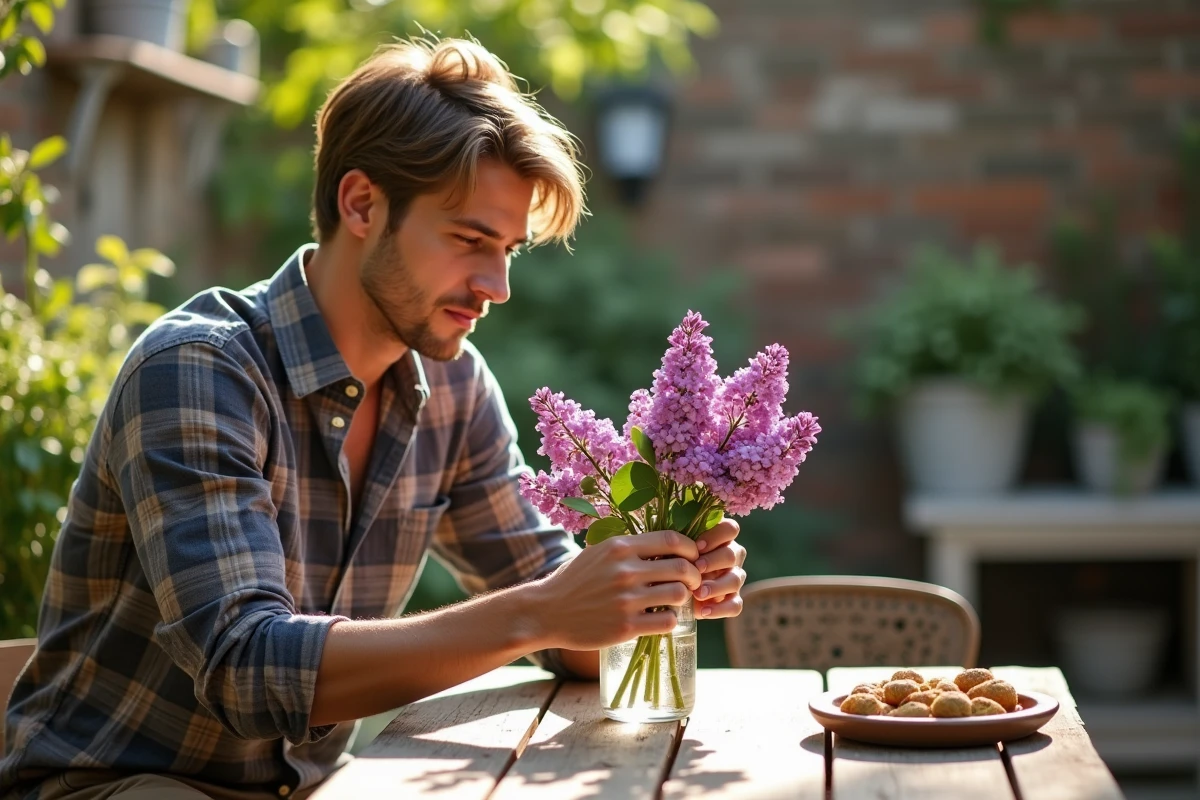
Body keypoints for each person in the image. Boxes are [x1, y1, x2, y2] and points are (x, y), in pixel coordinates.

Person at [0, 36, 747, 800]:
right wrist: (543, 611)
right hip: (111, 785)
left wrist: (645, 589)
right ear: (361, 204)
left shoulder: (452, 392)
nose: (497, 285)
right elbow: (247, 672)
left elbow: (560, 613)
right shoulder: (199, 370)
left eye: (510, 251)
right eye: (468, 241)